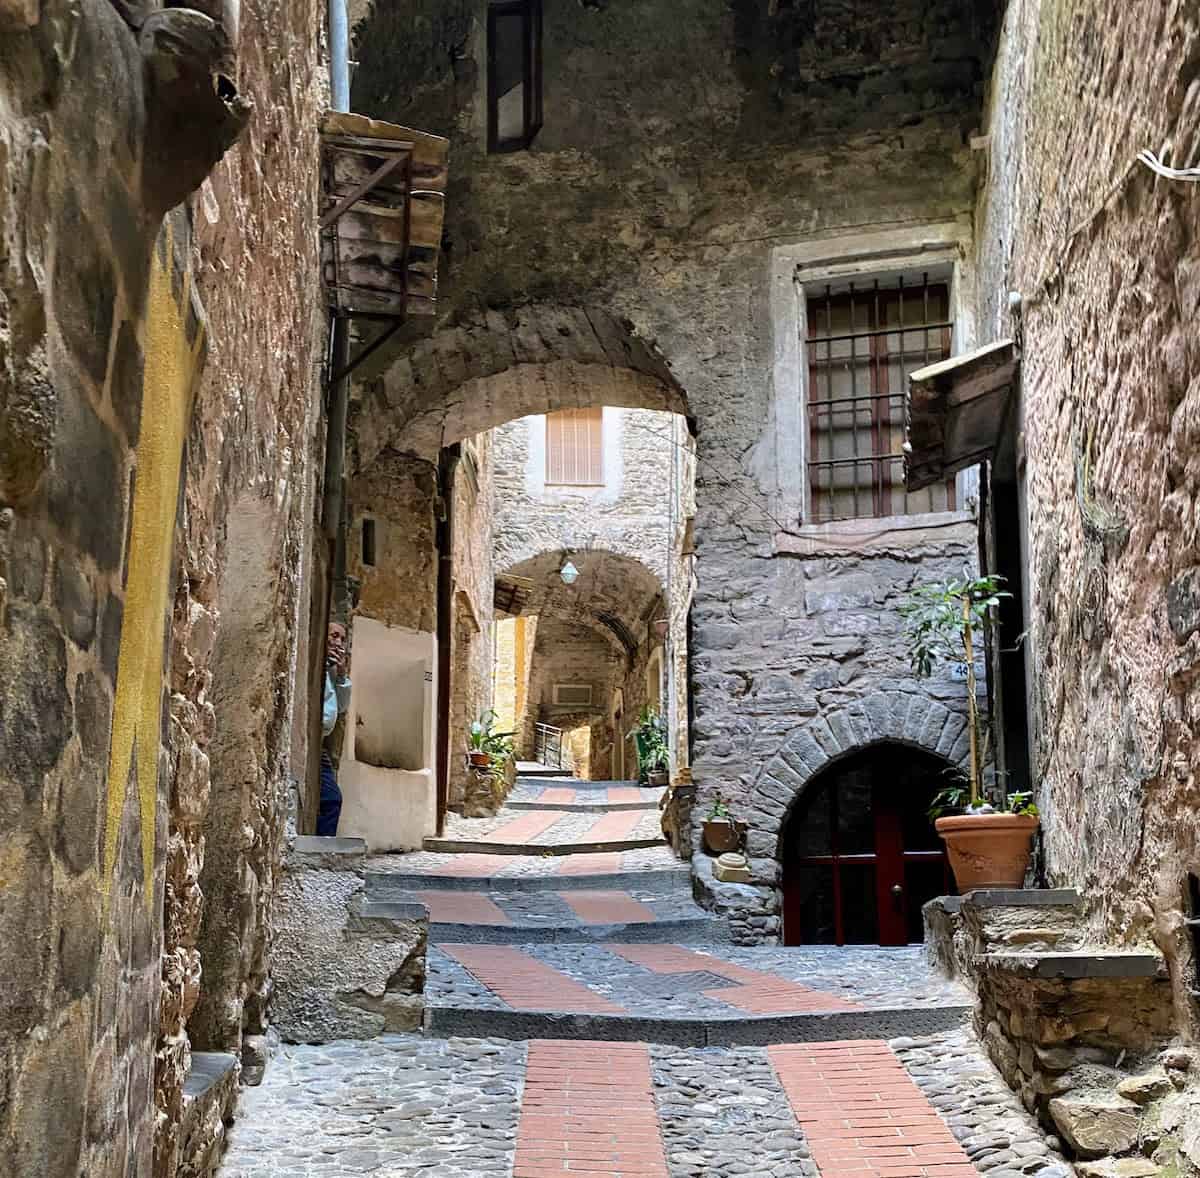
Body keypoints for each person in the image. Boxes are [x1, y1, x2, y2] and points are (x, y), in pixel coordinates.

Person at [318, 621, 351, 835]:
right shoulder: (316, 667)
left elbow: (340, 707)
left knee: (331, 799)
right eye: (333, 636)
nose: (337, 642)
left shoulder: (331, 672)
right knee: (331, 799)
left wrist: (341, 675)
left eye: (341, 638)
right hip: (311, 745)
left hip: (320, 745)